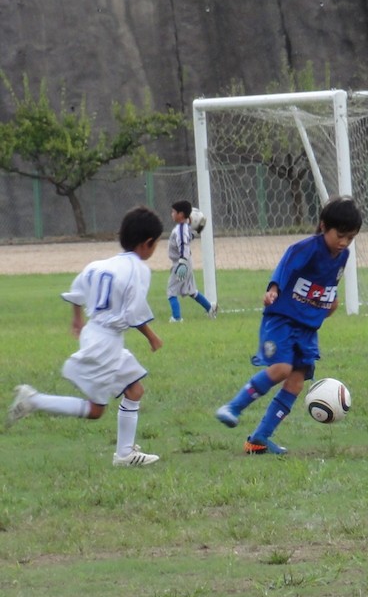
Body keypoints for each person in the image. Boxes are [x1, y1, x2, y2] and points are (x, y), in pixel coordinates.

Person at [7, 205, 165, 467]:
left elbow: (77, 290)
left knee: (134, 389)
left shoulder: (99, 265)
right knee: (95, 410)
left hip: (97, 334)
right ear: (148, 243)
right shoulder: (138, 269)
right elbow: (134, 313)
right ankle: (33, 400)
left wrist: (77, 318)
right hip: (106, 342)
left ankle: (125, 454)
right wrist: (151, 336)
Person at [214, 195, 363, 455]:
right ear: (323, 225)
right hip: (281, 319)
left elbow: (328, 281)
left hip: (307, 328)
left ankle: (259, 439)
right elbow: (284, 267)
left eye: (350, 237)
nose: (344, 242)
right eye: (340, 235)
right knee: (281, 368)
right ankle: (233, 407)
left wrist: (331, 301)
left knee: (295, 383)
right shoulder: (306, 248)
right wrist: (273, 289)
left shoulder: (343, 255)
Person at [166, 200, 216, 322]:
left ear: (181, 214)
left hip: (181, 263)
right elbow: (189, 238)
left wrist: (182, 263)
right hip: (186, 261)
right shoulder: (184, 228)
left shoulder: (180, 229)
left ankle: (177, 318)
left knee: (171, 291)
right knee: (192, 291)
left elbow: (183, 245)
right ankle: (210, 308)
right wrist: (197, 230)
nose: (171, 214)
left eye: (173, 212)